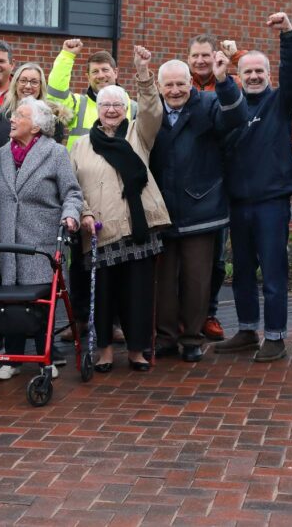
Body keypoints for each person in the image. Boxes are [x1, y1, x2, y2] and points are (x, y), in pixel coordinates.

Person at [214, 12, 292, 363]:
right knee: (240, 273)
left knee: (272, 273)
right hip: (237, 203)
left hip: (270, 202)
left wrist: (288, 35)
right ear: (239, 76)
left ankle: (275, 337)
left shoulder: (280, 103)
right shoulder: (227, 106)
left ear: (269, 76)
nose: (254, 77)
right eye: (248, 72)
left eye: (260, 72)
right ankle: (246, 330)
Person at [70, 46, 170, 372]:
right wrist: (83, 212)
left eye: (118, 104)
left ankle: (138, 350)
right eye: (105, 105)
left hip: (136, 227)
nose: (111, 110)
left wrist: (143, 73)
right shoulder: (81, 145)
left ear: (126, 107)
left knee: (138, 294)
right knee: (104, 295)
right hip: (100, 231)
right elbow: (72, 187)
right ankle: (104, 351)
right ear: (97, 109)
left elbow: (154, 111)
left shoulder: (137, 134)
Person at [0, 98, 82, 380]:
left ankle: (47, 356)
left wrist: (71, 215)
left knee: (39, 302)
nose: (12, 119)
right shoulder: (2, 155)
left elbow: (71, 192)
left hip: (41, 242)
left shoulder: (55, 153)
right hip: (9, 243)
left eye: (19, 116)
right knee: (11, 302)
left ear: (36, 126)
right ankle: (12, 358)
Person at [151, 54, 246, 362]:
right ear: (159, 86)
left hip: (201, 207)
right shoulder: (152, 112)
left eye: (181, 83)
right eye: (169, 85)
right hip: (162, 210)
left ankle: (192, 338)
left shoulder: (208, 104)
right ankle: (165, 337)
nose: (175, 90)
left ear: (190, 83)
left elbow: (236, 117)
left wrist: (224, 82)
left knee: (196, 279)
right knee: (163, 280)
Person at [48, 39, 134, 345]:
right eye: (95, 71)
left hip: (118, 195)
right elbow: (54, 92)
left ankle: (115, 323)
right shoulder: (76, 103)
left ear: (116, 72)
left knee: (118, 263)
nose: (101, 75)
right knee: (81, 262)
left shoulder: (130, 107)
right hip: (81, 194)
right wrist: (66, 56)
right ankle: (82, 319)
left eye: (105, 70)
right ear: (88, 76)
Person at [187, 33, 242, 343]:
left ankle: (208, 313)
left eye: (205, 55)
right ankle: (184, 315)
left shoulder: (229, 83)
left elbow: (260, 77)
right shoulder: (180, 83)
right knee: (182, 257)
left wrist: (234, 59)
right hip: (186, 180)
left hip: (221, 181)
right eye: (195, 56)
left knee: (216, 258)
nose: (200, 61)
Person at [0, 62, 72, 146]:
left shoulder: (52, 119)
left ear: (41, 86)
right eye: (23, 81)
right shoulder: (0, 114)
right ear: (16, 83)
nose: (28, 86)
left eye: (34, 82)